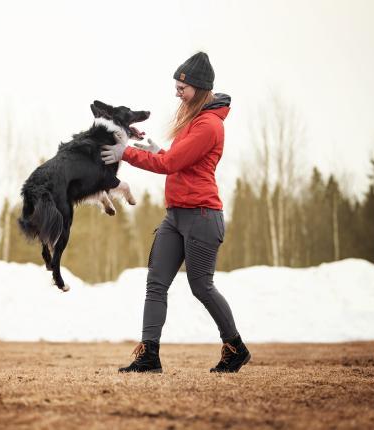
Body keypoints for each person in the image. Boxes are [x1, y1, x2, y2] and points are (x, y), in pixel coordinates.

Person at [101, 52, 251, 374]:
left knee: (201, 286)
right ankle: (149, 356)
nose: (177, 91)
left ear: (198, 87)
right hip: (176, 216)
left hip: (201, 216)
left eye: (182, 86)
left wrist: (124, 152)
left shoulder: (209, 125)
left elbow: (171, 165)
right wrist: (156, 150)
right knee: (155, 283)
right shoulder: (194, 121)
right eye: (176, 85)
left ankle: (236, 348)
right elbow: (177, 159)